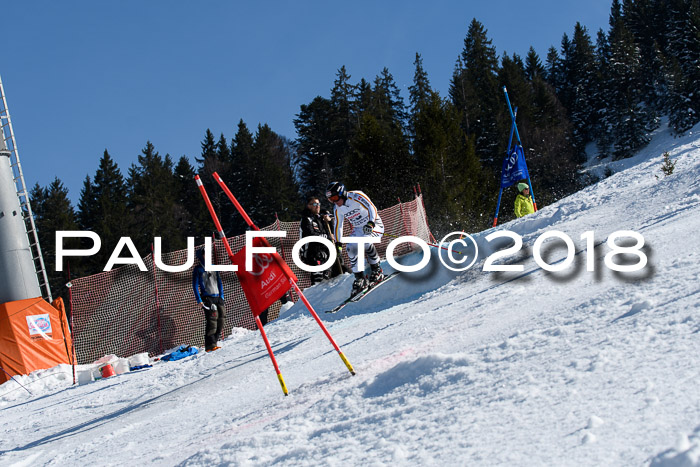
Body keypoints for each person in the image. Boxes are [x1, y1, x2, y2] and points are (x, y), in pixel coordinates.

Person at [326, 181, 385, 296]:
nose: (334, 202)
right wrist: (338, 243)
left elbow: (371, 207)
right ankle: (360, 278)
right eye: (330, 200)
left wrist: (371, 223)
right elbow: (338, 225)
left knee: (365, 241)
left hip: (374, 224)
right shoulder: (337, 209)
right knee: (350, 247)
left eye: (335, 197)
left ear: (342, 193)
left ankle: (377, 270)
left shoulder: (357, 196)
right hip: (359, 229)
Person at [192, 247, 225, 352]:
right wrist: (199, 300)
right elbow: (195, 285)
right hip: (207, 297)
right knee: (212, 321)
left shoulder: (214, 267)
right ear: (201, 256)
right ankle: (209, 345)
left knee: (221, 319)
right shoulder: (198, 269)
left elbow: (219, 282)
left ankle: (214, 342)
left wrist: (222, 296)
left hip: (218, 297)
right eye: (204, 254)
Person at [299, 197, 334, 284]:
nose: (317, 206)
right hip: (311, 252)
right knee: (318, 278)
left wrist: (329, 222)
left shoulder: (321, 217)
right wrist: (327, 237)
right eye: (314, 204)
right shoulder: (306, 219)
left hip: (325, 250)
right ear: (308, 206)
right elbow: (311, 235)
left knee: (335, 271)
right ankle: (317, 294)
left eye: (318, 204)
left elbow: (331, 232)